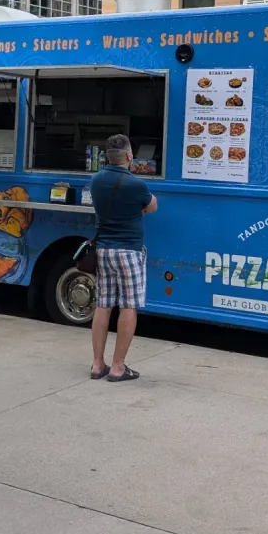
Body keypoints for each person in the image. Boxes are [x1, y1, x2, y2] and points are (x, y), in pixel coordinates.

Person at [89, 134, 157, 382]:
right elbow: (152, 206)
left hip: (104, 251)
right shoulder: (135, 184)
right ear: (129, 156)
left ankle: (98, 364)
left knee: (103, 305)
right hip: (128, 251)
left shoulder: (95, 180)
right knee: (128, 306)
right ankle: (118, 367)